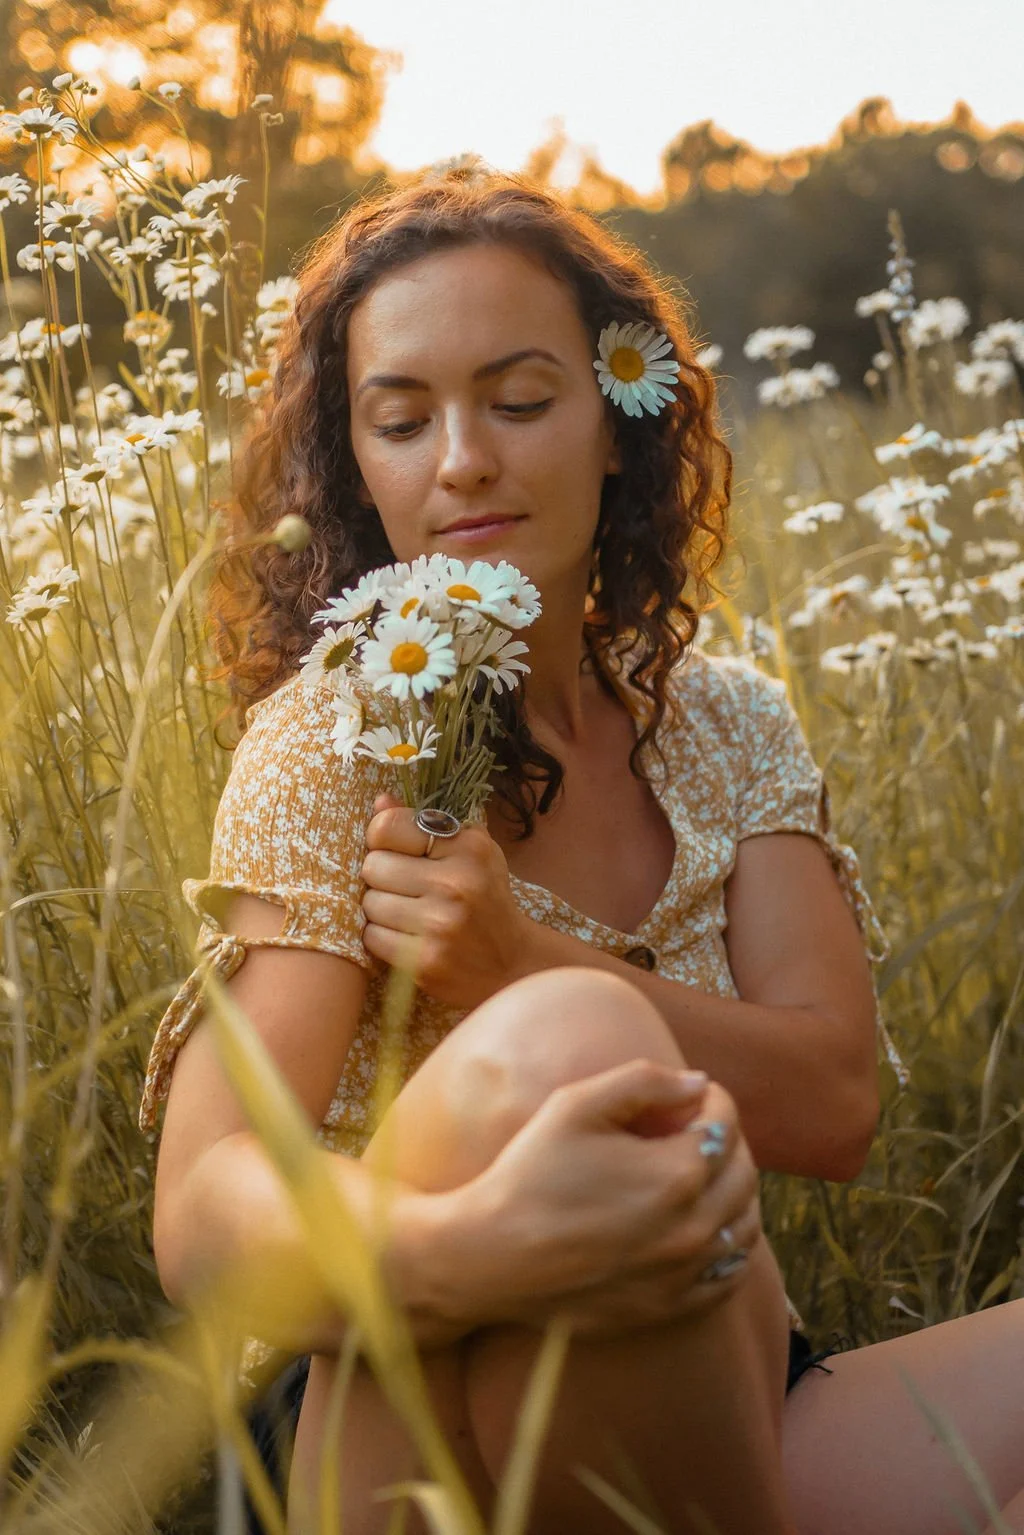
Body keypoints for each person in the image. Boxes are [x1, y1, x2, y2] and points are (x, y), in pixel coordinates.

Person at [139, 169, 1024, 1535]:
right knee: (572, 1040)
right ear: (357, 467)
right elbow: (202, 1211)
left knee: (569, 1013)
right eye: (401, 418)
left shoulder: (725, 721)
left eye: (520, 398)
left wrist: (514, 957)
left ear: (618, 425)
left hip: (729, 1368)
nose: (462, 461)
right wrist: (484, 1243)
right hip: (390, 1386)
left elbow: (834, 1101)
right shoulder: (337, 735)